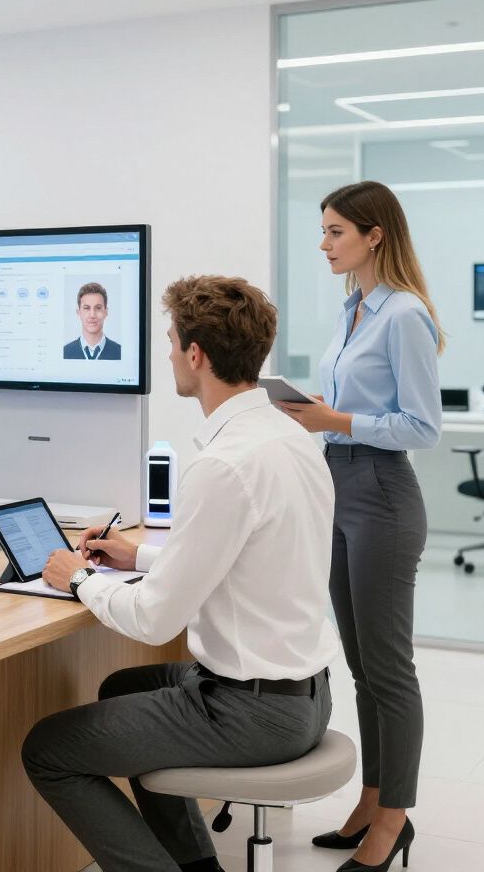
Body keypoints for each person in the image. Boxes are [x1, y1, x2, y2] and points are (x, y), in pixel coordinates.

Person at [25, 275, 339, 872]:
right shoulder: (289, 438)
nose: (168, 352)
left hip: (252, 714)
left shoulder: (224, 463)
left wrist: (77, 578)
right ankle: (198, 865)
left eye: (171, 340)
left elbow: (152, 619)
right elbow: (243, 558)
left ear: (195, 354)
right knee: (124, 689)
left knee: (47, 749)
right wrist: (135, 555)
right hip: (308, 695)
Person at [277, 180, 442, 872]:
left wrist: (337, 419)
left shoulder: (403, 315)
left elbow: (422, 426)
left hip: (381, 492)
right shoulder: (354, 310)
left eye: (336, 231)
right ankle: (373, 797)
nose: (323, 243)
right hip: (338, 486)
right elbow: (359, 402)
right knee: (361, 666)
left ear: (375, 234)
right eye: (322, 230)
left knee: (390, 668)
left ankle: (394, 821)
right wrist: (324, 409)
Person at [63, 281, 122, 359]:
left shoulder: (120, 352)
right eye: (87, 308)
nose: (92, 315)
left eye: (98, 308)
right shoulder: (65, 352)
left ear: (106, 312)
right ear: (79, 313)